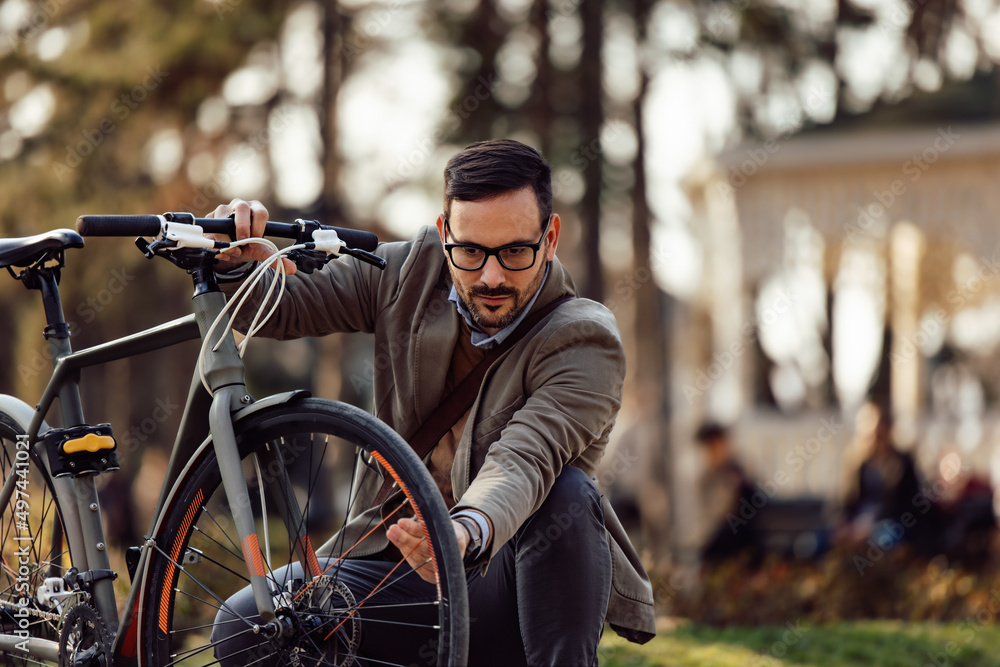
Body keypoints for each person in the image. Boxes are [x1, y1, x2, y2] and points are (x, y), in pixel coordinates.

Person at [207, 139, 655, 665]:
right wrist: (237, 262)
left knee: (568, 494)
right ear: (445, 235)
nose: (491, 276)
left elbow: (524, 460)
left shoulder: (583, 341)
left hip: (502, 584)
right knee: (244, 626)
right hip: (391, 565)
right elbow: (286, 309)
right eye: (470, 251)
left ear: (549, 238)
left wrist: (459, 534)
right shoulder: (408, 273)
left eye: (514, 251)